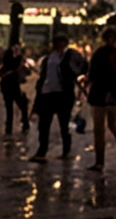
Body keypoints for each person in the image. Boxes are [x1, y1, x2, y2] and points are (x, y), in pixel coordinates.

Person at [29, 34, 85, 162]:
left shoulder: (69, 56)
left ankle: (66, 149)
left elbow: (78, 68)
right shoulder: (48, 59)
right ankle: (42, 150)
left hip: (63, 94)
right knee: (44, 124)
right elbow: (43, 76)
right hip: (47, 93)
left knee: (63, 124)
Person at [87, 27, 116, 174]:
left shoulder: (110, 53)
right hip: (103, 92)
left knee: (109, 126)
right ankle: (102, 161)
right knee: (101, 128)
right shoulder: (104, 53)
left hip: (109, 92)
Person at [0, 42, 30, 135]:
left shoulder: (14, 57)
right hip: (9, 83)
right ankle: (12, 127)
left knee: (14, 106)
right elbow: (12, 65)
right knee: (11, 106)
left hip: (11, 83)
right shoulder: (12, 57)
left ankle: (12, 127)